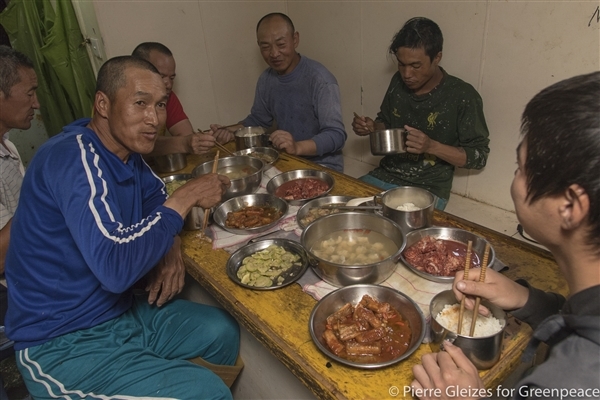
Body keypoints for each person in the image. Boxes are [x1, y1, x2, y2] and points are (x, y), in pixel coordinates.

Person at [4, 56, 240, 399]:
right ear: (103, 104)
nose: (154, 120)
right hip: (62, 340)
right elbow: (115, 267)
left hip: (118, 313)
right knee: (207, 392)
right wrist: (185, 197)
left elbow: (157, 202)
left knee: (220, 331)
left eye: (159, 106)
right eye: (140, 103)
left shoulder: (127, 156)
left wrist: (171, 245)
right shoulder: (73, 157)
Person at [410, 71, 600, 399]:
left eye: (520, 169)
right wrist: (527, 299)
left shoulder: (569, 380)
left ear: (570, 206)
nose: (514, 180)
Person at [352, 17, 490, 210]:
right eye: (401, 64)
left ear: (437, 57)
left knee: (399, 235)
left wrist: (431, 146)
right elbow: (385, 121)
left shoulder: (463, 96)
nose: (407, 74)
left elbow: (479, 157)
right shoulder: (397, 83)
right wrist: (373, 127)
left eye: (416, 66)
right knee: (342, 210)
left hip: (428, 188)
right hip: (384, 175)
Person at [211, 12, 347, 172]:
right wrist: (228, 131)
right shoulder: (266, 79)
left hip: (322, 166)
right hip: (284, 160)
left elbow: (336, 135)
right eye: (266, 47)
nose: (274, 53)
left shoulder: (320, 79)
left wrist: (297, 147)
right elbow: (258, 120)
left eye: (281, 45)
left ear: (295, 39)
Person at [132, 42, 217, 156]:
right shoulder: (129, 101)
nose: (168, 84)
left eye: (171, 78)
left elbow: (185, 134)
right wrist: (183, 144)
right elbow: (138, 146)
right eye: (161, 76)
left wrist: (199, 141)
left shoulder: (167, 96)